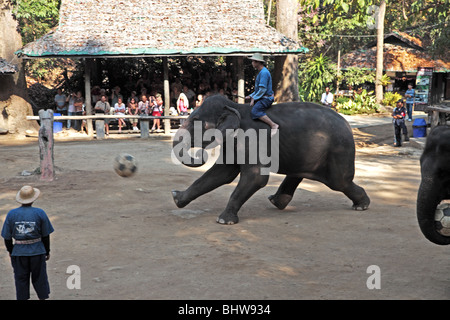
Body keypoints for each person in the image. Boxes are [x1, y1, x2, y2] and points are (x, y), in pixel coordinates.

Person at [1, 186, 54, 300]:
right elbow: (45, 235)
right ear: (33, 199)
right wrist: (47, 251)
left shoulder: (11, 214)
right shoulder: (40, 213)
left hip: (19, 253)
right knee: (40, 278)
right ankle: (42, 297)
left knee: (21, 279)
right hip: (37, 251)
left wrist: (11, 251)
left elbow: (7, 237)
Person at [245, 53, 278, 136]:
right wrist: (251, 95)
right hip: (262, 97)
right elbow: (258, 90)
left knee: (255, 111)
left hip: (266, 99)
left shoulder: (264, 73)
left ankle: (273, 125)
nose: (252, 63)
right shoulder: (261, 72)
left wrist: (254, 98)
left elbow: (262, 90)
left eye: (253, 61)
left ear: (257, 62)